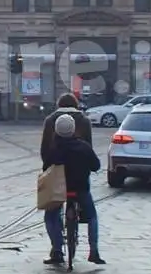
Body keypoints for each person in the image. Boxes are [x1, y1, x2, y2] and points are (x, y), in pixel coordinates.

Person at [40, 93, 104, 265]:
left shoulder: (52, 133)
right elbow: (94, 162)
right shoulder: (83, 132)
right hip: (80, 184)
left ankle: (57, 250)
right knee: (92, 216)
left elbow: (45, 160)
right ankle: (94, 250)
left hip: (57, 184)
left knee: (51, 214)